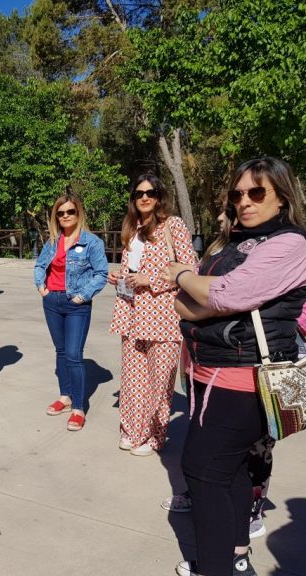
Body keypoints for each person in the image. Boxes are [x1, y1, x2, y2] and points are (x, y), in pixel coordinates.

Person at [163, 157, 306, 576]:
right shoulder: (239, 242)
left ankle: (216, 567)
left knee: (202, 471)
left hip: (242, 379)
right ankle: (232, 556)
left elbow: (227, 293)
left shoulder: (290, 244)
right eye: (237, 194)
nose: (244, 202)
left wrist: (180, 276)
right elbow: (193, 301)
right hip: (211, 368)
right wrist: (196, 294)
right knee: (226, 471)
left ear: (282, 196)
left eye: (256, 192)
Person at [107, 175, 196, 455]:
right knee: (133, 379)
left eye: (151, 192)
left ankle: (155, 436)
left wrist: (152, 280)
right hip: (132, 313)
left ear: (159, 196)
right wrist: (121, 278)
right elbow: (132, 269)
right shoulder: (132, 227)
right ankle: (132, 430)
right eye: (139, 193)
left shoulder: (173, 225)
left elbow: (190, 268)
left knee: (160, 381)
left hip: (162, 316)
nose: (144, 197)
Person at [34, 193, 108, 431]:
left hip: (76, 304)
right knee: (61, 350)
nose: (65, 216)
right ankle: (65, 396)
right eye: (61, 212)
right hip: (52, 301)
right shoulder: (53, 241)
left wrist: (82, 296)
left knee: (74, 354)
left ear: (78, 213)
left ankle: (78, 407)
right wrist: (41, 287)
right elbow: (39, 265)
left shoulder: (92, 242)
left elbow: (101, 274)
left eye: (70, 212)